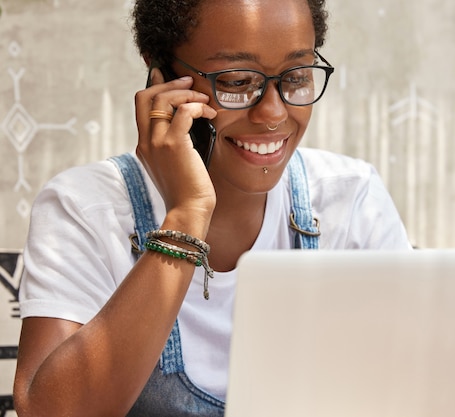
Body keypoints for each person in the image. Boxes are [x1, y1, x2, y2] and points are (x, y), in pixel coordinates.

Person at [13, 0, 412, 415]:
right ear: (161, 75)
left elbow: (417, 383)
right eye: (238, 81)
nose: (273, 113)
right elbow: (49, 412)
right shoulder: (85, 209)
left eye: (295, 77)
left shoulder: (349, 199)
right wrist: (187, 215)